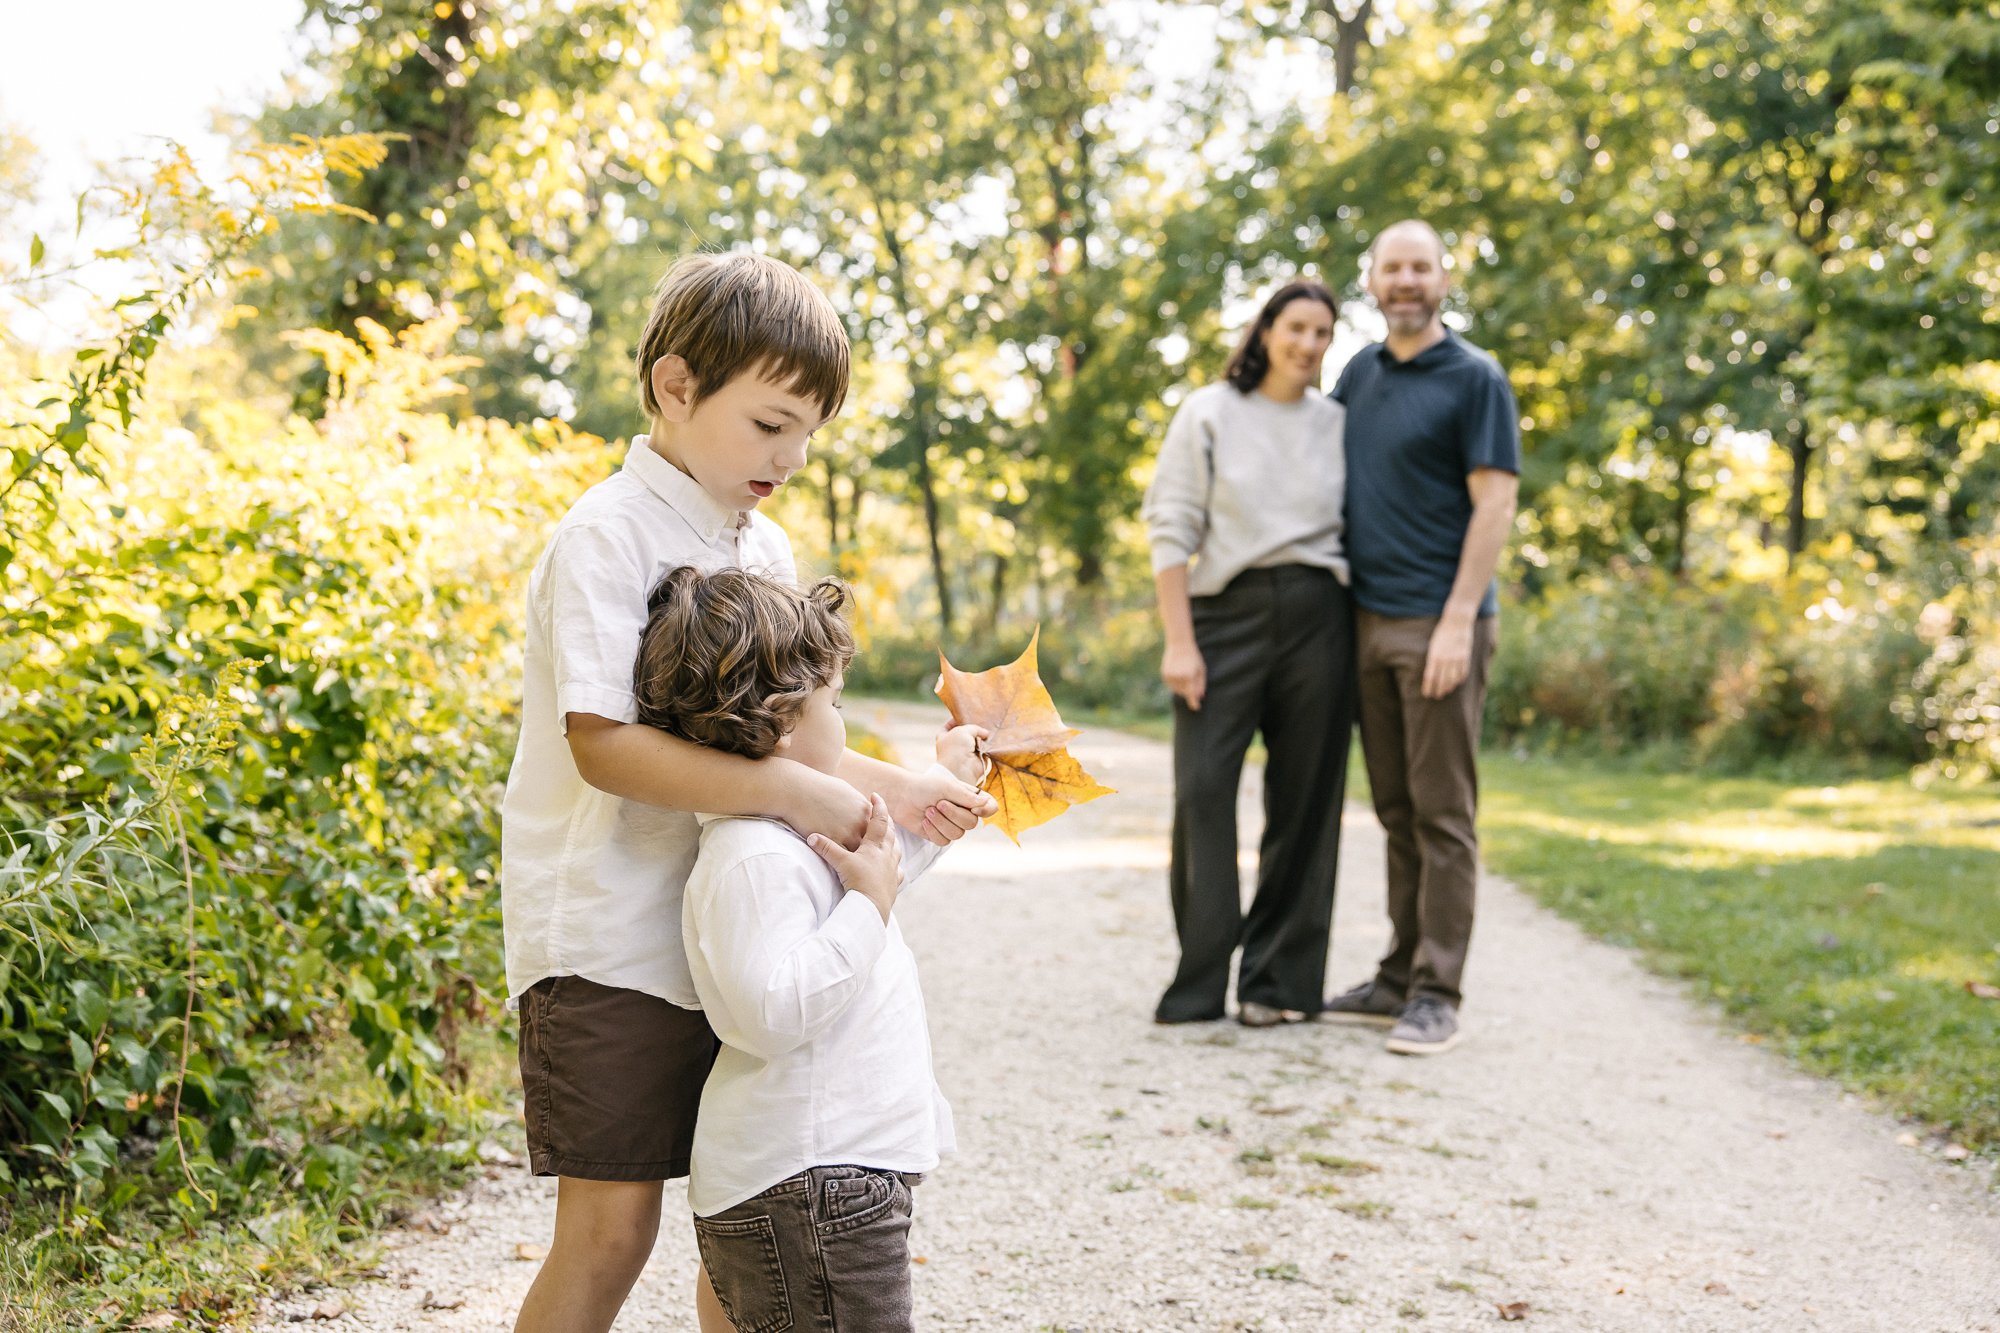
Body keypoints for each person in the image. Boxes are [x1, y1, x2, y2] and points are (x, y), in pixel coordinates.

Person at [501, 251, 996, 1333]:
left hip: (734, 928)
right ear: (675, 387)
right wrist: (800, 799)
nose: (793, 454)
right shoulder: (606, 535)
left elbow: (782, 737)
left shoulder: (760, 541)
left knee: (746, 1216)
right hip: (612, 936)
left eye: (809, 430)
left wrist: (904, 790)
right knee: (612, 1228)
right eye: (770, 424)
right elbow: (604, 746)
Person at [632, 564, 984, 1333]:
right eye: (836, 701)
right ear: (787, 719)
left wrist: (946, 780)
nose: (844, 717)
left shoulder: (786, 830)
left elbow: (878, 875)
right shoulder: (753, 855)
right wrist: (867, 904)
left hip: (821, 1178)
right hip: (812, 1183)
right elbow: (771, 1012)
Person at [1318, 219, 1521, 1057]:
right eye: (1391, 268)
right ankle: (1397, 975)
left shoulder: (1476, 378)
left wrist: (1457, 621)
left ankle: (1438, 991)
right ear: (1372, 282)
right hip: (1362, 622)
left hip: (1441, 624)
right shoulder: (1360, 373)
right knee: (1397, 809)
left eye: (1420, 267)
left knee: (1443, 814)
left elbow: (1495, 501)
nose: (1405, 281)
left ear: (1443, 278)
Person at [1142, 278, 1358, 1027]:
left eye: (1323, 333)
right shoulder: (1209, 412)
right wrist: (1180, 639)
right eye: (1296, 326)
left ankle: (1277, 982)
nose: (1308, 344)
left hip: (1321, 616)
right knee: (1202, 790)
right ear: (1266, 330)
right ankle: (1201, 977)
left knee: (1306, 800)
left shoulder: (1336, 423)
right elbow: (1170, 525)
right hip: (1222, 614)